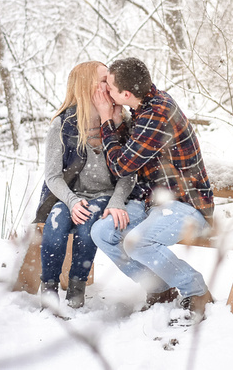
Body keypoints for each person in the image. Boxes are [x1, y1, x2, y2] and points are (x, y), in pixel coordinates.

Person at [90, 57, 215, 322]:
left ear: (125, 94)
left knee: (137, 243)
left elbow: (122, 166)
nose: (106, 92)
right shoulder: (142, 106)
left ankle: (196, 290)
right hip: (153, 205)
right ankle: (160, 289)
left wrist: (106, 122)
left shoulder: (157, 113)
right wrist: (117, 123)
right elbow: (134, 150)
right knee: (102, 232)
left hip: (188, 208)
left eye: (109, 88)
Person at [36, 61, 135, 309]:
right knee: (56, 222)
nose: (110, 85)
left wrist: (115, 201)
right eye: (104, 80)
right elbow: (53, 176)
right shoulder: (62, 124)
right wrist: (70, 201)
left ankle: (76, 286)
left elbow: (128, 173)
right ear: (85, 86)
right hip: (70, 194)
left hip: (105, 194)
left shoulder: (122, 121)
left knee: (88, 222)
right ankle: (48, 287)